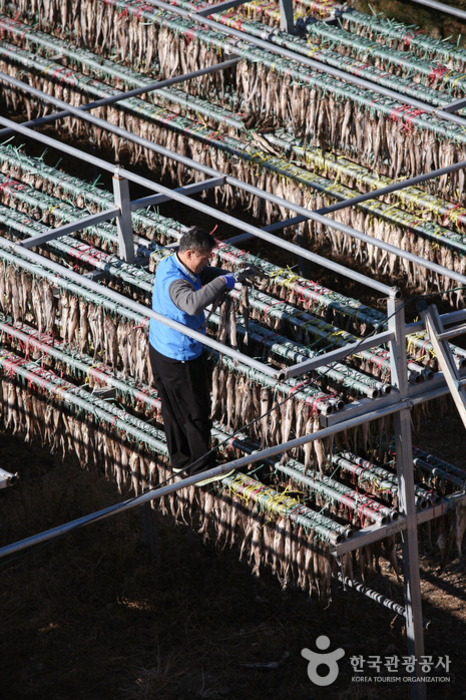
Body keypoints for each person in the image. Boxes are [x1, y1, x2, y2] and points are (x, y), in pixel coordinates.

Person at [148, 226, 236, 483]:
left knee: (173, 409)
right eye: (205, 257)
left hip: (160, 349)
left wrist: (230, 276)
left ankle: (180, 460)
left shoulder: (170, 263)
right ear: (189, 253)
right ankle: (201, 469)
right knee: (195, 411)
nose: (208, 261)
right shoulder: (174, 282)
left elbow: (203, 274)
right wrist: (222, 283)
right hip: (181, 356)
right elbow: (192, 303)